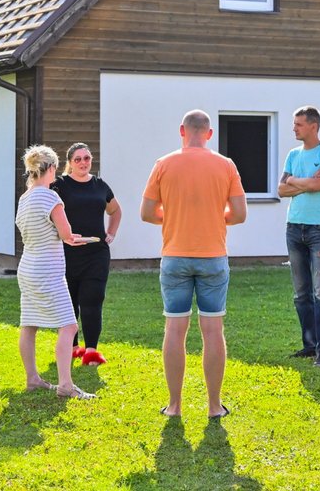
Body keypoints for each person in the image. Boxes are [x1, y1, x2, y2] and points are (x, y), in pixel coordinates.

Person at [141, 110, 246, 419]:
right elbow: (239, 214)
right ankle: (214, 406)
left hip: (174, 256)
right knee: (213, 330)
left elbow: (147, 213)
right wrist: (217, 217)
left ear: (182, 131)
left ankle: (174, 406)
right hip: (213, 257)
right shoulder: (225, 165)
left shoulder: (164, 164)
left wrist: (171, 217)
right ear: (209, 133)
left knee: (175, 328)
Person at [14, 144, 95, 399]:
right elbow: (66, 234)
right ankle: (66, 386)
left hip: (27, 268)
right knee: (69, 327)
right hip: (47, 271)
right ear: (50, 168)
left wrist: (66, 237)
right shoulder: (50, 197)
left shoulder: (25, 198)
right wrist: (75, 238)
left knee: (29, 324)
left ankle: (32, 379)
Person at [277, 106, 320, 367]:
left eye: (298, 124)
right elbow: (281, 189)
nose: (294, 128)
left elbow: (317, 185)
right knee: (301, 293)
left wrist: (296, 181)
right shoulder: (293, 154)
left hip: (319, 230)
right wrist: (304, 182)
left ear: (313, 126)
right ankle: (309, 345)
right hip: (294, 228)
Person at [51, 142, 122, 367]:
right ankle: (73, 348)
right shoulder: (59, 185)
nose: (83, 162)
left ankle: (91, 351)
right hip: (66, 252)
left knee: (93, 298)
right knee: (69, 301)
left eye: (87, 158)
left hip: (96, 253)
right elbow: (48, 212)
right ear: (70, 163)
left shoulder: (100, 185)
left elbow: (115, 210)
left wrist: (110, 232)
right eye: (78, 159)